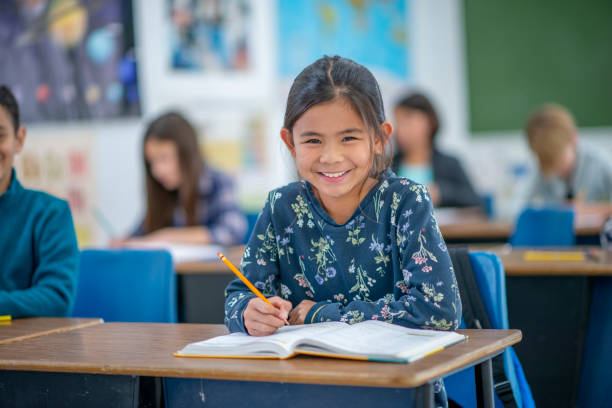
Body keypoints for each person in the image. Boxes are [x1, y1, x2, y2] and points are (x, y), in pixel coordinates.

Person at [224, 57, 461, 407]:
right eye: (313, 141)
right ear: (290, 143)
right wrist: (247, 312)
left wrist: (321, 314)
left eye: (348, 138)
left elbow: (438, 310)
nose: (331, 157)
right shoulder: (280, 208)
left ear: (380, 139)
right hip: (299, 391)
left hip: (396, 393)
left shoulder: (406, 202)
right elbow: (237, 296)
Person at [0, 85, 79, 317]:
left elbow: (57, 298)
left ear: (19, 139)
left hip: (27, 350)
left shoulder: (50, 214)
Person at [119, 112, 247, 246]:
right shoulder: (163, 190)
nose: (157, 170)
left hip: (209, 267)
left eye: (164, 158)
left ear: (187, 154)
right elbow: (140, 235)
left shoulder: (218, 182)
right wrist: (125, 242)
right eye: (152, 162)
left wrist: (169, 237)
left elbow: (232, 231)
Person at [391, 92, 482, 208]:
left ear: (430, 123)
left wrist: (441, 193)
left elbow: (475, 200)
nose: (400, 130)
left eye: (408, 122)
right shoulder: (388, 166)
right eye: (398, 122)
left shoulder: (450, 163)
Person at [524, 103, 612, 206]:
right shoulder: (541, 170)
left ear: (573, 138)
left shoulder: (600, 163)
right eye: (550, 165)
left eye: (559, 161)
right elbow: (520, 206)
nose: (557, 170)